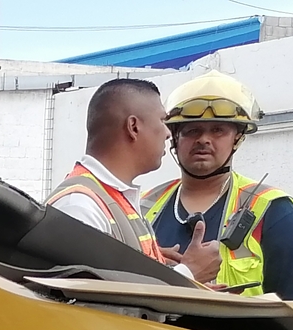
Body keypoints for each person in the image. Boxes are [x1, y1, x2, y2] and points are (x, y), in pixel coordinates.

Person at [140, 72, 293, 300]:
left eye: (218, 130)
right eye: (192, 130)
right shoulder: (144, 208)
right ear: (174, 138)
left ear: (237, 137)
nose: (204, 139)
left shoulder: (274, 212)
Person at [47, 78, 218, 282]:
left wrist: (152, 263)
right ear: (133, 127)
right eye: (162, 121)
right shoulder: (80, 206)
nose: (167, 134)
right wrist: (189, 273)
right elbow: (92, 298)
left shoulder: (113, 197)